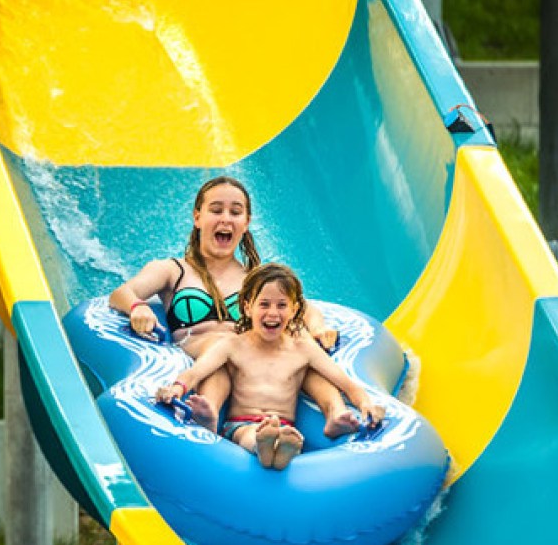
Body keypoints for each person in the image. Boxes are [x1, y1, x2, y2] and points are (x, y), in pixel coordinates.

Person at [109, 175, 359, 437]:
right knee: (220, 348)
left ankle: (336, 412)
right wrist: (137, 307)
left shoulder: (255, 279)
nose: (226, 218)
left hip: (247, 357)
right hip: (200, 349)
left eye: (235, 212)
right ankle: (208, 416)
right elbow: (121, 293)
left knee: (300, 345)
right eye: (216, 210)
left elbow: (303, 309)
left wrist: (318, 328)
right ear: (197, 218)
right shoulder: (173, 270)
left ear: (246, 223)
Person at [156, 264, 385, 470]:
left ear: (294, 310)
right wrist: (177, 388)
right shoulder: (232, 345)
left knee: (287, 437)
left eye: (282, 305)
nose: (273, 313)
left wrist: (366, 405)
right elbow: (197, 372)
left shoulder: (303, 349)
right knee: (253, 435)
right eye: (264, 304)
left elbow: (345, 383)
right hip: (241, 425)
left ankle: (278, 448)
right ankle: (263, 445)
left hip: (285, 427)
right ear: (247, 308)